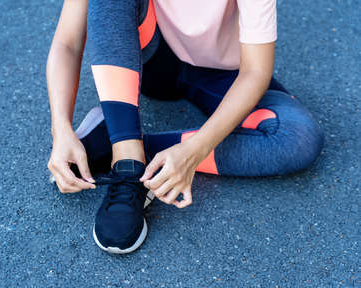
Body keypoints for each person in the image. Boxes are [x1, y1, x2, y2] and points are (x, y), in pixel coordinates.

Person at [46, 0, 324, 254]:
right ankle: (128, 162)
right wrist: (61, 130)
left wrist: (195, 150)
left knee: (296, 138)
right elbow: (67, 42)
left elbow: (255, 72)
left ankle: (112, 140)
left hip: (225, 76)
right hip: (154, 62)